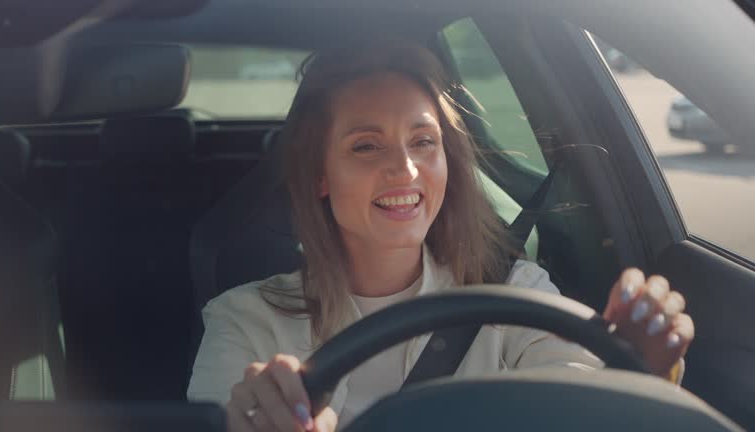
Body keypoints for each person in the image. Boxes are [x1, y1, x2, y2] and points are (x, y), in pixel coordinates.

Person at [187, 39, 694, 432]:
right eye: (366, 147)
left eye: (423, 141)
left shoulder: (515, 293)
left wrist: (638, 370)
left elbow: (584, 405)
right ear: (320, 175)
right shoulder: (245, 321)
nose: (404, 169)